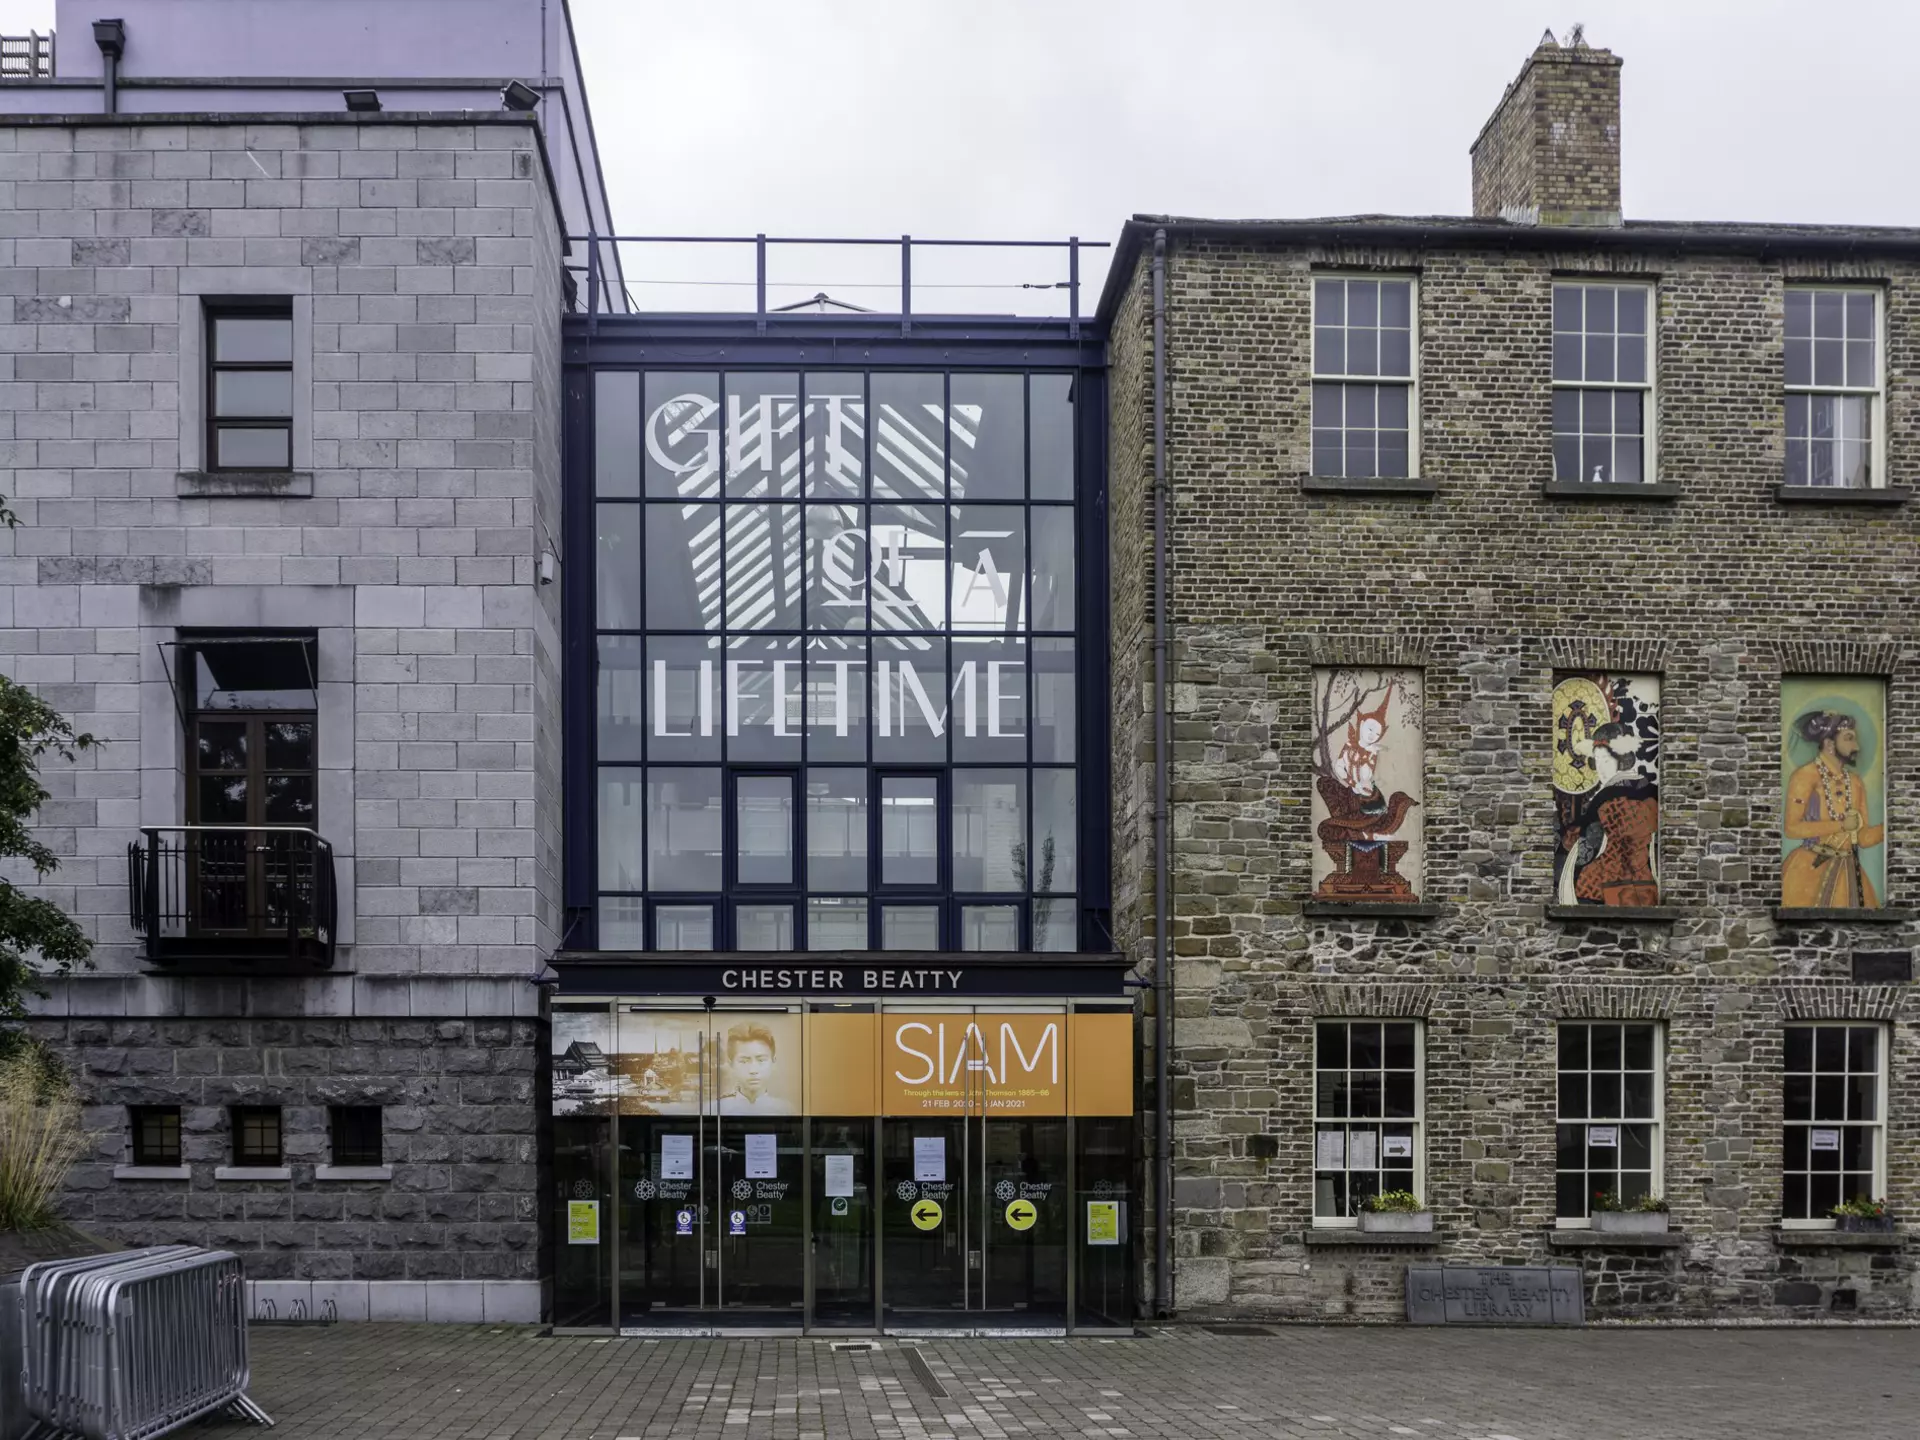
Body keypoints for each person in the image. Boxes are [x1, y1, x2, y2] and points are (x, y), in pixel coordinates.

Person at [1782, 710, 1883, 909]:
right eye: (1849, 739)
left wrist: (1891, 828)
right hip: (1808, 869)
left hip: (1848, 873)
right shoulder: (1804, 776)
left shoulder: (1855, 782)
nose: (1857, 746)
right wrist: (1841, 825)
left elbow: (1862, 838)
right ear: (1829, 744)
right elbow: (1792, 828)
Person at [718, 1022, 794, 1114]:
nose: (753, 1070)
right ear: (731, 1064)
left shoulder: (786, 1110)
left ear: (773, 1062)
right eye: (744, 1061)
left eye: (761, 1060)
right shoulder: (716, 1109)